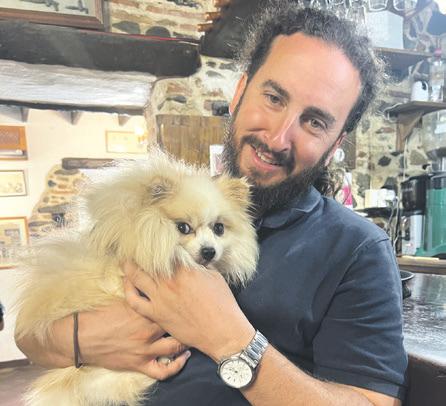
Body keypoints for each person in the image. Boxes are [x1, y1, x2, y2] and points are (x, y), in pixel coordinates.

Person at [16, 3, 408, 405]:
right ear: (240, 91)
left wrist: (230, 338)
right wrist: (86, 339)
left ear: (335, 144)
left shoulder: (356, 250)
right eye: (273, 97)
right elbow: (30, 338)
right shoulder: (158, 203)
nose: (278, 138)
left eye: (314, 122)